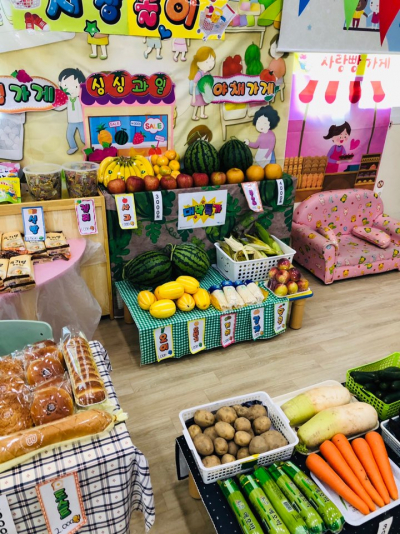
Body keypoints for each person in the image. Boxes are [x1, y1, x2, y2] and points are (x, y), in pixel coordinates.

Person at [57, 68, 86, 155]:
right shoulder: (67, 99)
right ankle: (73, 147)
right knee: (69, 135)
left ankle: (89, 146)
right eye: (66, 86)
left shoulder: (81, 98)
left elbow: (86, 105)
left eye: (76, 87)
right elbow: (62, 106)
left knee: (84, 137)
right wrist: (54, 107)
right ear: (60, 84)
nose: (72, 89)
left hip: (81, 120)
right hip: (71, 121)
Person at [188, 46, 216, 121]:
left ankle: (201, 114)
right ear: (198, 63)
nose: (210, 64)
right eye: (207, 62)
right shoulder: (199, 74)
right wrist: (194, 96)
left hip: (203, 92)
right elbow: (194, 85)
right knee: (197, 105)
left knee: (203, 103)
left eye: (212, 60)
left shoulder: (207, 73)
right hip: (197, 93)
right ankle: (194, 115)